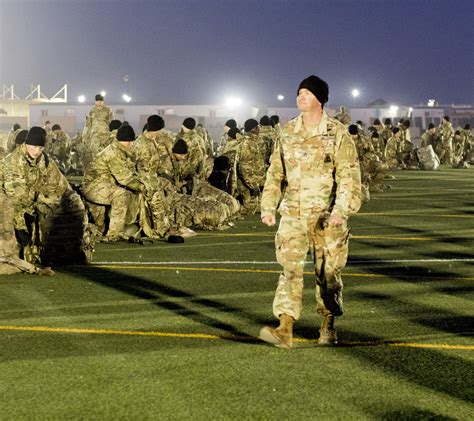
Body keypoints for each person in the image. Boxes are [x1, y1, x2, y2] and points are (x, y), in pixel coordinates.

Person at [259, 75, 361, 348]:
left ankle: (328, 325)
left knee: (327, 275)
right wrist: (268, 207)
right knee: (289, 270)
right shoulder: (288, 131)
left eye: (306, 93)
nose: (300, 97)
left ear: (320, 99)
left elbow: (349, 176)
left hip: (326, 217)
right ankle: (285, 327)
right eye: (299, 92)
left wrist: (341, 210)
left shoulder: (337, 133)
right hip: (292, 214)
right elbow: (274, 174)